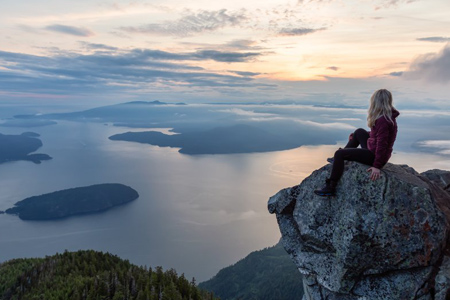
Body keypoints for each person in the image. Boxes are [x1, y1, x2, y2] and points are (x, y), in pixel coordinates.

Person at [314, 89, 399, 197]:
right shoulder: (387, 117)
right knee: (359, 132)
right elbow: (378, 135)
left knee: (339, 154)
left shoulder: (383, 120)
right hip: (373, 149)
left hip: (374, 156)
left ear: (376, 102)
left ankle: (330, 187)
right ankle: (339, 159)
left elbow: (382, 144)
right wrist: (356, 136)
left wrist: (377, 166)